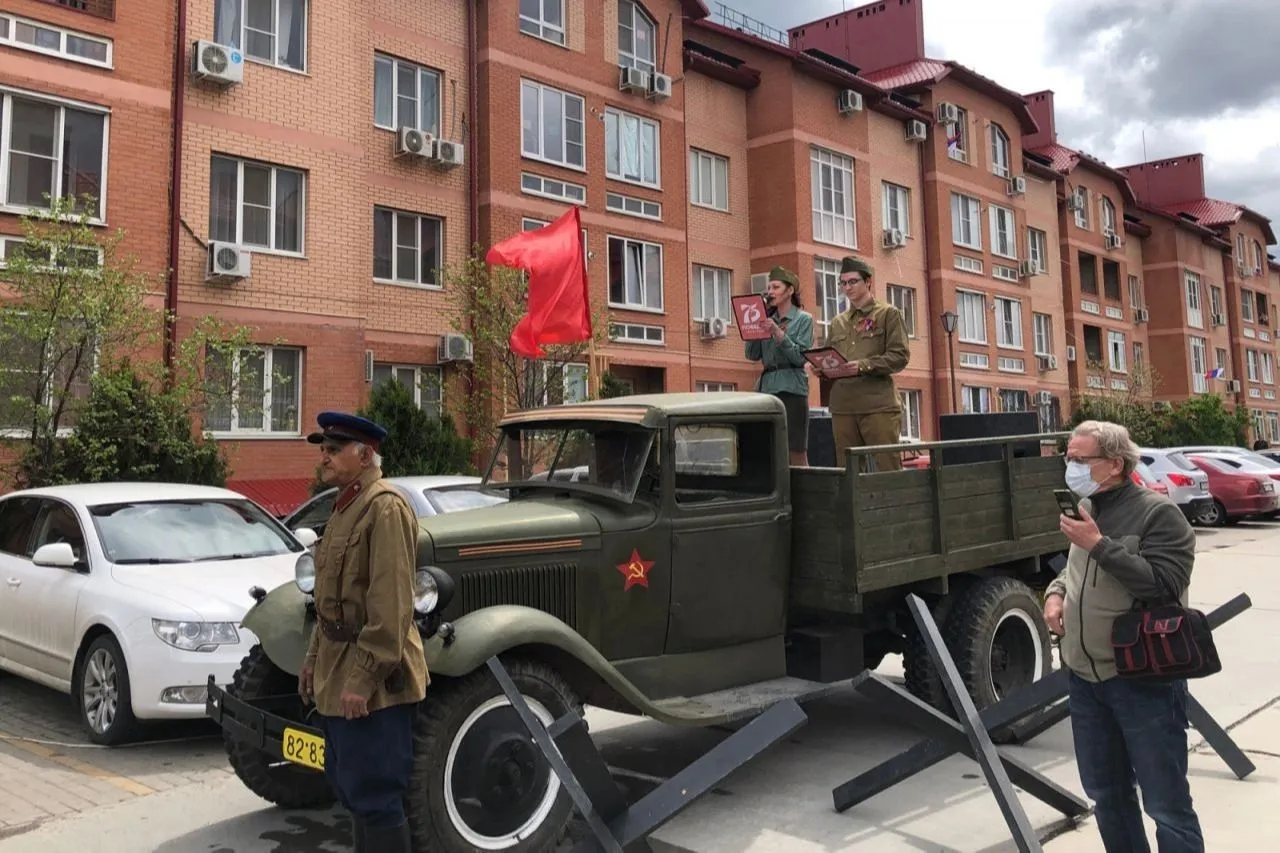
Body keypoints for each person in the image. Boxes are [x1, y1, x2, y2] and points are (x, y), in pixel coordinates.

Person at [1044, 420, 1203, 853]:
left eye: (1080, 459)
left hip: (1140, 682)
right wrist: (1055, 595)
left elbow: (1165, 587)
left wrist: (1099, 545)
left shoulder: (1158, 514)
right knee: (1108, 798)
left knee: (1166, 805)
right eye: (1068, 458)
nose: (1070, 466)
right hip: (1085, 681)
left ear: (1114, 463)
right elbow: (1076, 573)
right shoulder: (1088, 508)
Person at [299, 411, 427, 853]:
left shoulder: (385, 507)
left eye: (335, 450)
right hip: (338, 668)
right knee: (351, 786)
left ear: (365, 454)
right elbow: (329, 600)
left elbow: (391, 606)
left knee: (377, 795)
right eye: (324, 449)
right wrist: (314, 660)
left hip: (375, 683)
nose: (325, 457)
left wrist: (363, 678)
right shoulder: (345, 507)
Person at [815, 256, 910, 473]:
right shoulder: (838, 322)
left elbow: (900, 356)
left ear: (868, 282)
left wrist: (864, 365)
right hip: (844, 407)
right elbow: (832, 358)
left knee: (887, 469)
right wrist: (821, 369)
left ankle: (891, 508)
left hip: (878, 406)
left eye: (852, 281)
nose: (847, 287)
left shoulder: (888, 314)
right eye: (843, 283)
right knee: (848, 472)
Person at [744, 265, 814, 466]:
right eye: (769, 287)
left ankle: (804, 494)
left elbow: (800, 358)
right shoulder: (768, 319)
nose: (770, 292)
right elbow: (752, 355)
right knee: (769, 448)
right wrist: (752, 330)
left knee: (796, 450)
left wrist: (778, 333)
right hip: (767, 389)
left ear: (790, 290)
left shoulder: (803, 319)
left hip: (792, 389)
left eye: (775, 287)